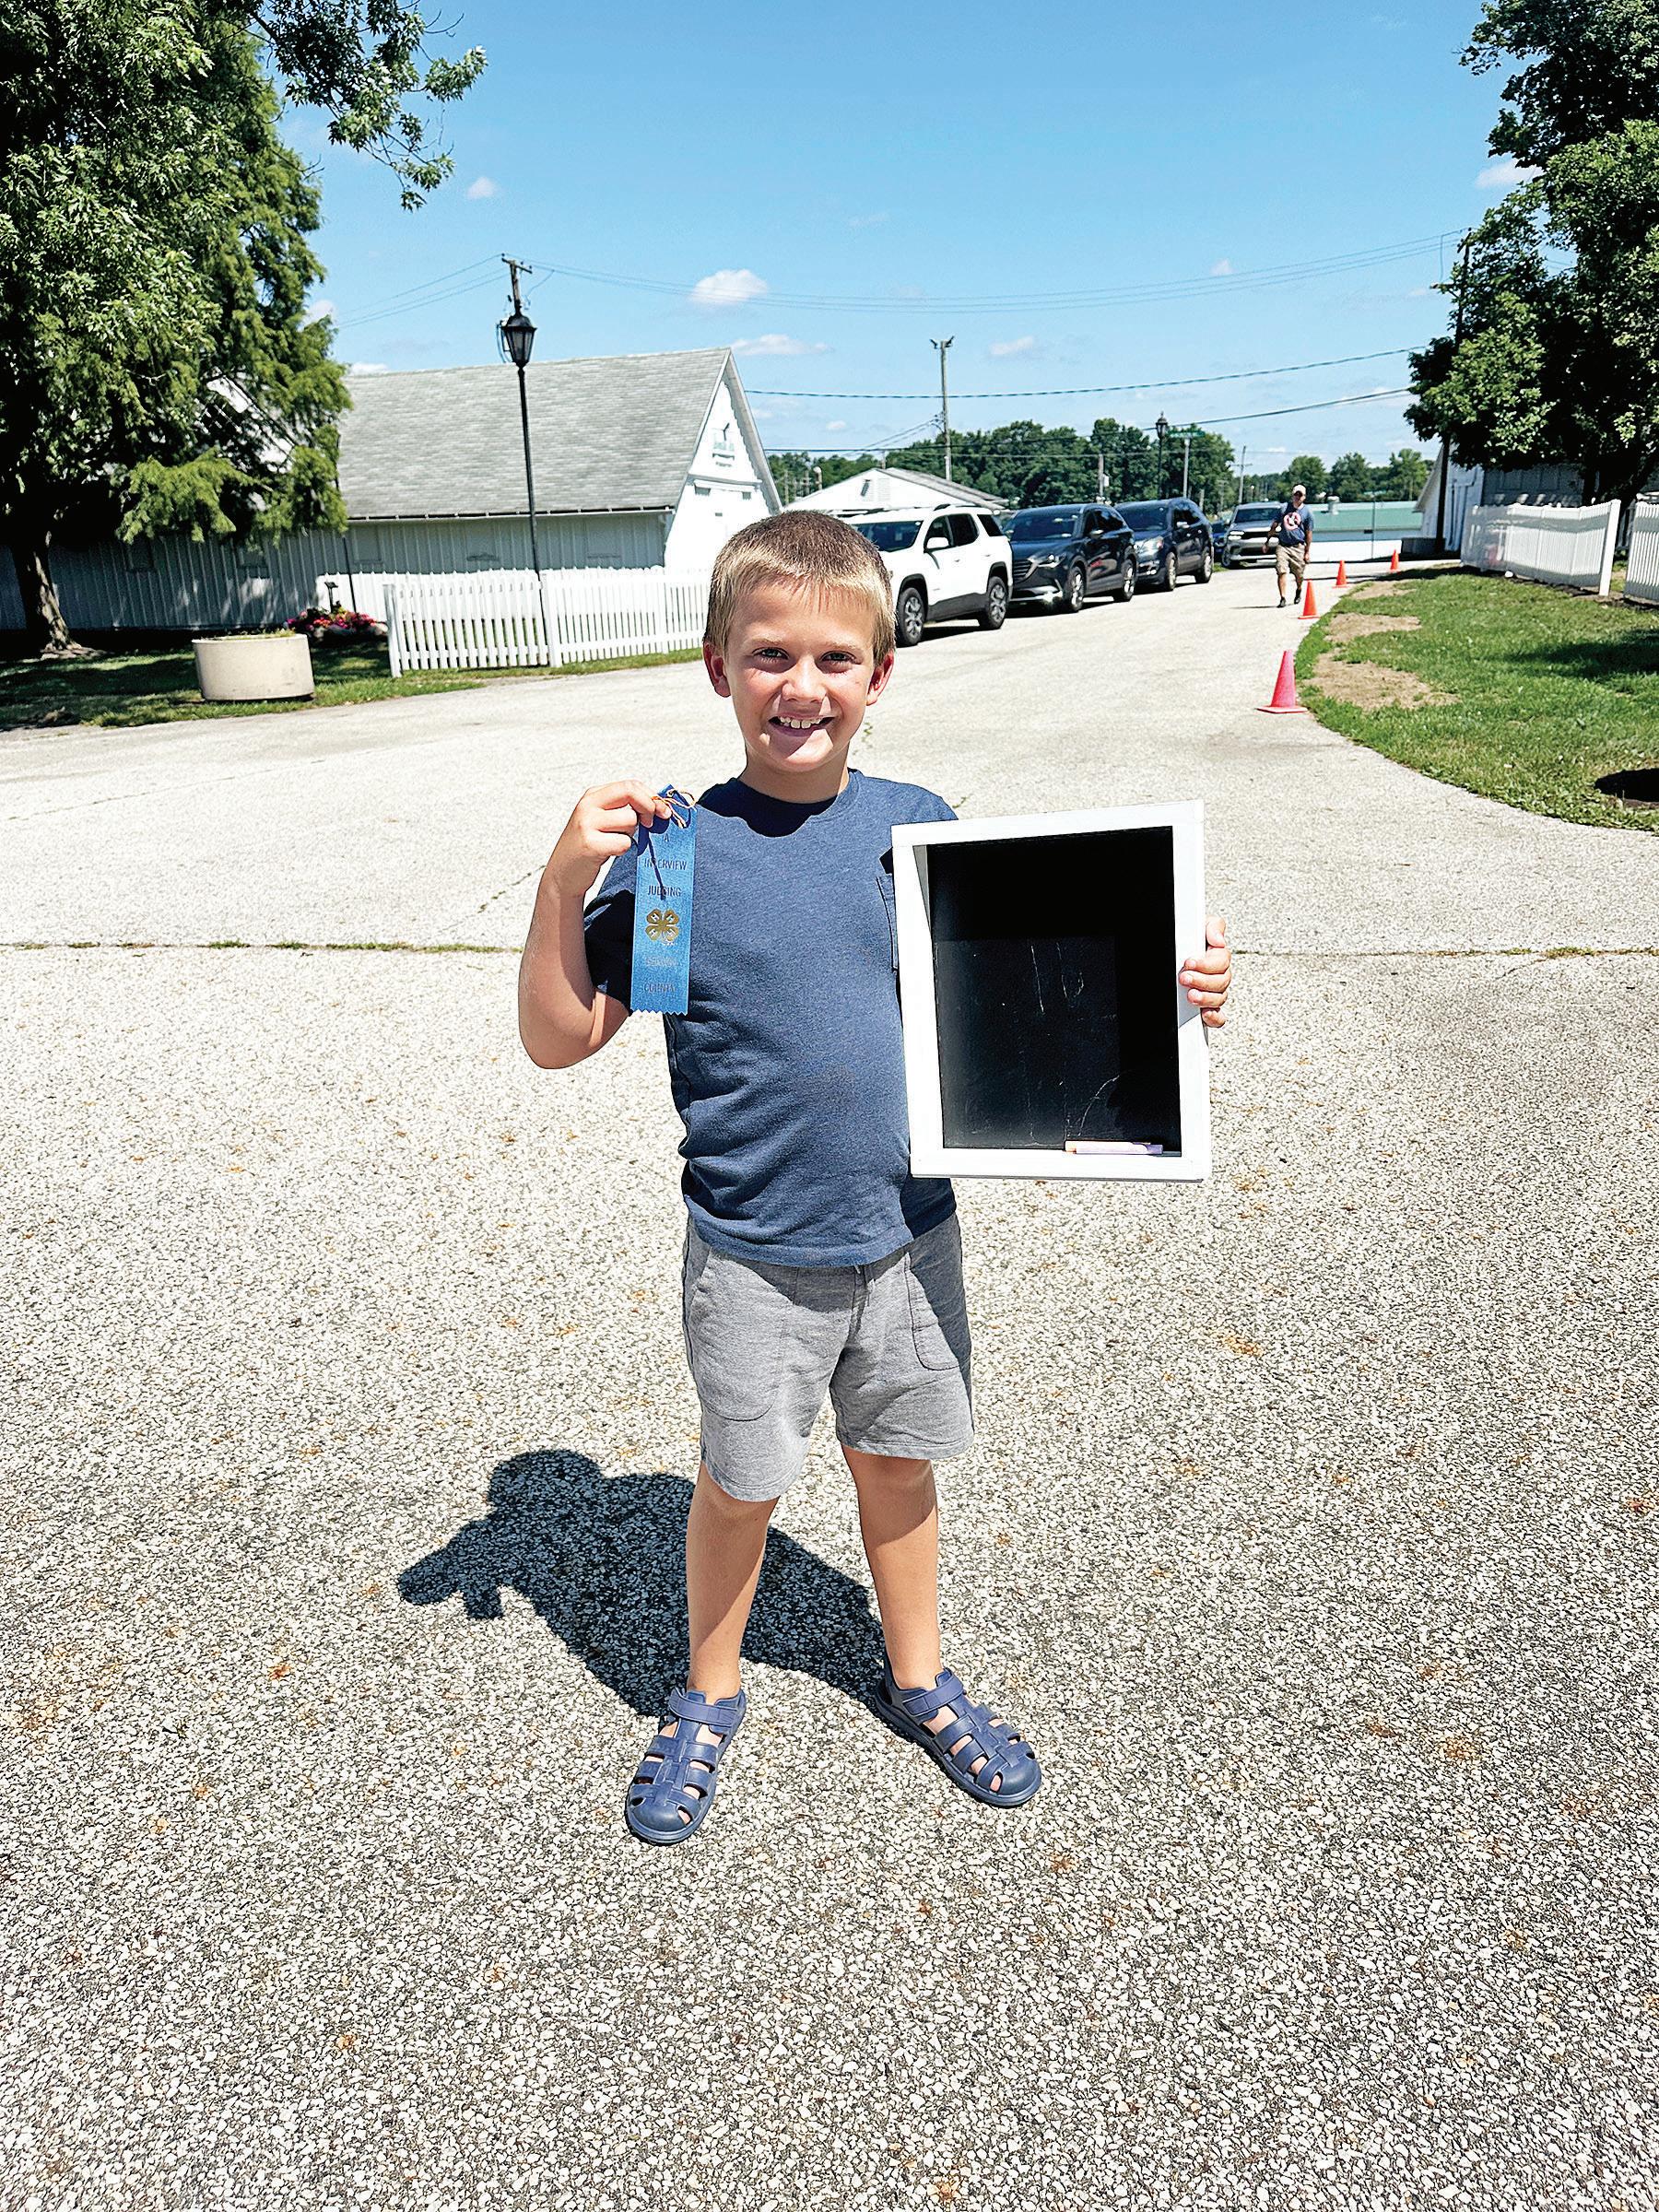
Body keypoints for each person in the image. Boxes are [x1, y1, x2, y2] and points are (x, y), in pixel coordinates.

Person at [516, 512, 1233, 1845]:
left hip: (908, 1236)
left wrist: (1172, 987)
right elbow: (562, 1039)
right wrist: (565, 885)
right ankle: (707, 1692)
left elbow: (1036, 995)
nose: (802, 687)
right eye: (769, 655)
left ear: (881, 673)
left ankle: (920, 1678)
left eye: (835, 659)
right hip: (751, 1253)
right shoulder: (675, 856)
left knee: (898, 1469)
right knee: (741, 1487)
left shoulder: (920, 831)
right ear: (719, 666)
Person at [1272, 483, 1314, 608]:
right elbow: (1274, 524)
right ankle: (1283, 597)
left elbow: (1309, 533)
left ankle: (1299, 589)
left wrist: (1307, 551)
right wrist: (1268, 538)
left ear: (1304, 497)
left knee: (1299, 574)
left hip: (1298, 546)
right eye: (1296, 495)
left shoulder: (1307, 512)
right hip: (1283, 545)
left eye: (1300, 495)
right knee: (1281, 570)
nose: (1297, 497)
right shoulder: (1284, 509)